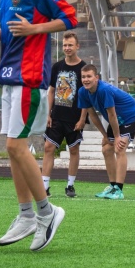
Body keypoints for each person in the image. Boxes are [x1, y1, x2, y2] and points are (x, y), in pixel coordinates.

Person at [0, 0, 76, 251]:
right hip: (9, 77)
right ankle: (25, 215)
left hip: (29, 77)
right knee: (13, 149)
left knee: (15, 145)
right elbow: (13, 24)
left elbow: (69, 17)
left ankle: (47, 213)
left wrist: (35, 28)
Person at [78, 64, 135, 200]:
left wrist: (117, 137)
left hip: (130, 116)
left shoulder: (104, 90)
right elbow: (93, 115)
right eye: (83, 77)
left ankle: (119, 190)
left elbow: (112, 114)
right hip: (116, 120)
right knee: (107, 149)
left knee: (119, 148)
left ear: (96, 77)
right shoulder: (82, 92)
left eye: (89, 76)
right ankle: (112, 186)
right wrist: (105, 136)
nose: (86, 80)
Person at [42, 31, 87, 198]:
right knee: (48, 147)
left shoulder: (83, 68)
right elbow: (51, 91)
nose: (67, 48)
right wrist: (47, 114)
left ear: (77, 46)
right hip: (57, 116)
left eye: (70, 45)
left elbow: (86, 96)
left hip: (74, 118)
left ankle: (70, 185)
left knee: (74, 149)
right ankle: (44, 186)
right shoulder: (57, 67)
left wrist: (82, 118)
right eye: (65, 45)